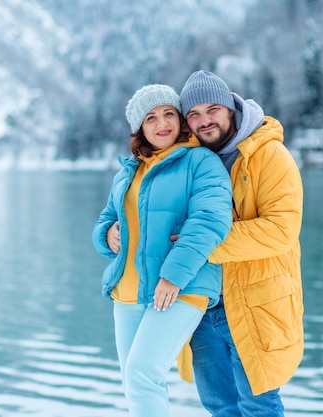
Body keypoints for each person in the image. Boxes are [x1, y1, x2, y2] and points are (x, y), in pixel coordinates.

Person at [91, 84, 233, 417]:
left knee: (143, 373)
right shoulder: (129, 171)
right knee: (134, 381)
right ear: (139, 127)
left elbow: (210, 221)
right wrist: (106, 233)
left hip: (181, 287)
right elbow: (106, 220)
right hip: (127, 291)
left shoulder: (201, 162)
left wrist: (173, 276)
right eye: (151, 117)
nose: (162, 123)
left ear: (180, 118)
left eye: (169, 113)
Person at [178, 70, 304, 416]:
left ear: (230, 108)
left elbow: (281, 229)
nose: (205, 121)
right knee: (219, 406)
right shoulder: (189, 162)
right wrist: (112, 229)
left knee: (258, 405)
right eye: (194, 114)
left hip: (255, 303)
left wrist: (203, 244)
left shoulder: (270, 156)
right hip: (202, 307)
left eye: (212, 109)